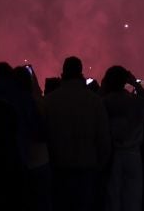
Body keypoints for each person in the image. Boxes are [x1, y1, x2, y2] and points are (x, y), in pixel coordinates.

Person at [43, 55, 111, 211]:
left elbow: (43, 135)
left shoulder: (49, 101)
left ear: (63, 73)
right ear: (81, 73)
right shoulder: (94, 101)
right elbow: (103, 139)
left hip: (58, 169)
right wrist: (99, 165)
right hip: (87, 168)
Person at [102, 65, 144, 211]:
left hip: (113, 156)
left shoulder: (105, 102)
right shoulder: (136, 101)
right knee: (133, 198)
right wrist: (135, 83)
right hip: (133, 155)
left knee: (112, 199)